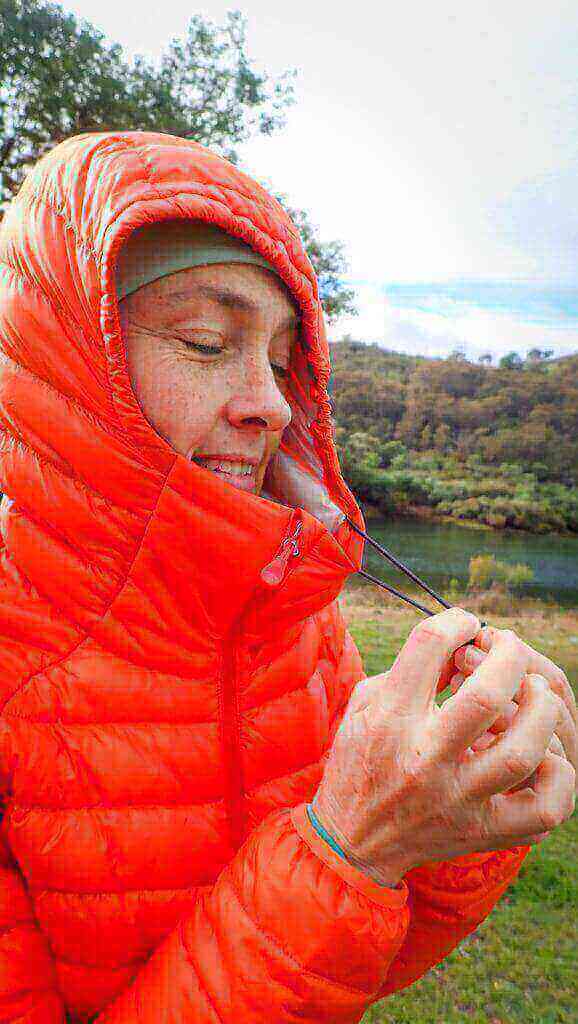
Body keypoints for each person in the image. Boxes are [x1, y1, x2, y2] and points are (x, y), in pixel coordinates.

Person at [0, 131, 574, 1024]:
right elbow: (345, 877)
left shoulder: (295, 617)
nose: (268, 403)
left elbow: (362, 963)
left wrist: (457, 810)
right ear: (68, 358)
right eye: (203, 340)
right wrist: (344, 851)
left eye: (278, 360)